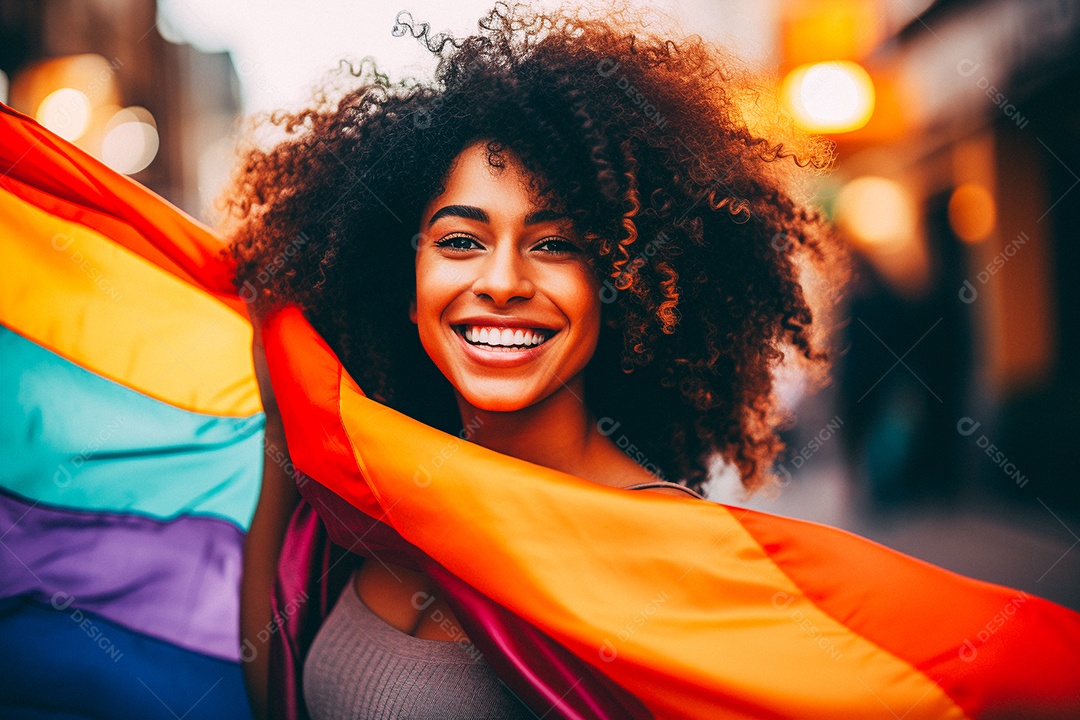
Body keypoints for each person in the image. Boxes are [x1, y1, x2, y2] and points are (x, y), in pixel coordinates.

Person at [225, 3, 841, 718]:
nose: (503, 282)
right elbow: (278, 688)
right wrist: (280, 422)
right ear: (406, 287)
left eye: (555, 244)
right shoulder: (379, 496)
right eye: (461, 241)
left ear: (620, 287)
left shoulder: (669, 552)